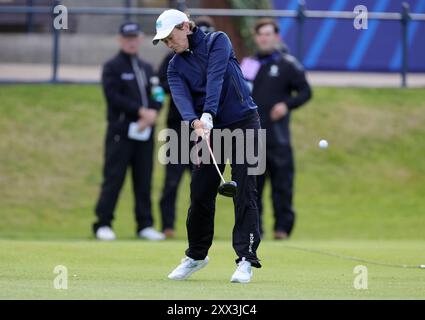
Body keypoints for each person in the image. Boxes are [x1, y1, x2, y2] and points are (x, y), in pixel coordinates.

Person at [153, 9, 262, 283]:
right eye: (163, 41)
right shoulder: (174, 66)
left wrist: (208, 114)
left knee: (245, 191)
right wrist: (194, 123)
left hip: (243, 122)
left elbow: (216, 77)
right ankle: (196, 255)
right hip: (206, 130)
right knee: (200, 192)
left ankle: (246, 259)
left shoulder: (218, 41)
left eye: (170, 37)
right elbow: (180, 98)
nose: (168, 44)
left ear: (185, 26)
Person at [241, 19, 312, 240]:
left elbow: (305, 92)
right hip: (253, 139)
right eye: (260, 34)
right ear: (256, 37)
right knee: (253, 190)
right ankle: (256, 230)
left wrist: (286, 105)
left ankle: (282, 229)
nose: (264, 38)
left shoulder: (287, 64)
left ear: (276, 37)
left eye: (268, 34)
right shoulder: (248, 65)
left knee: (282, 188)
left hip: (278, 140)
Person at [93, 22, 165, 241]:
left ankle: (145, 224)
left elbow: (158, 93)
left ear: (140, 39)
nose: (131, 41)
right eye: (127, 38)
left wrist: (153, 111)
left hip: (145, 133)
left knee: (144, 179)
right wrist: (140, 111)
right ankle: (103, 223)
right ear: (120, 40)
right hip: (121, 132)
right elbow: (113, 97)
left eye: (135, 37)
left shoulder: (146, 67)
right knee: (114, 178)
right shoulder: (112, 67)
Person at [158, 16, 216, 239]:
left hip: (205, 128)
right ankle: (167, 226)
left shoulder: (212, 55)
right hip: (177, 127)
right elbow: (161, 85)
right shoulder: (172, 61)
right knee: (172, 181)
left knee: (200, 181)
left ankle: (198, 231)